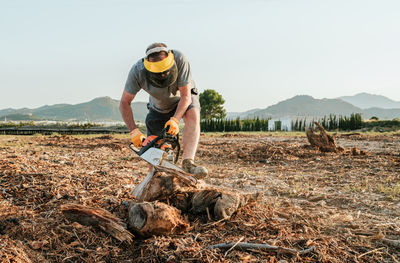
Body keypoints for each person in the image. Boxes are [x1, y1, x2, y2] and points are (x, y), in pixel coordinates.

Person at [119, 43, 208, 178]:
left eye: (166, 72)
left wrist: (175, 120)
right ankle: (155, 176)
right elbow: (124, 103)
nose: (163, 75)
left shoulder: (179, 59)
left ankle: (188, 162)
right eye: (158, 73)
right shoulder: (137, 71)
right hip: (158, 105)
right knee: (153, 149)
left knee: (193, 114)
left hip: (183, 98)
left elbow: (186, 96)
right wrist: (134, 131)